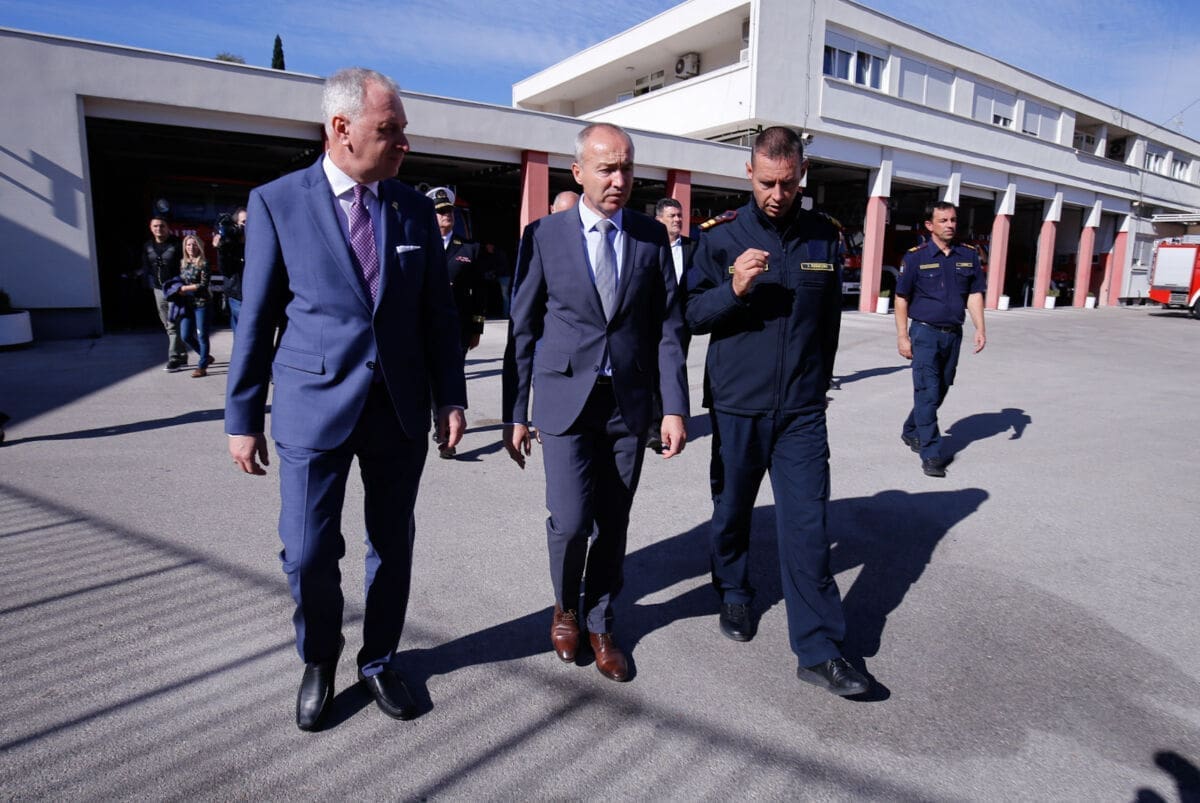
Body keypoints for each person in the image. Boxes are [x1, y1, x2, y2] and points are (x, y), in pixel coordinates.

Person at [225, 67, 467, 731]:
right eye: (390, 130)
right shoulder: (278, 202)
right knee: (307, 550)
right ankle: (319, 656)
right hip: (312, 404)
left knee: (391, 543)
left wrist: (450, 396)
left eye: (404, 130)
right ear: (341, 128)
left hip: (398, 407)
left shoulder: (412, 208)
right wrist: (243, 416)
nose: (404, 143)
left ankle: (379, 658)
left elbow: (438, 315)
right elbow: (257, 318)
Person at [502, 122, 688, 682]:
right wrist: (516, 411)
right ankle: (566, 607)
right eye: (607, 169)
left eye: (627, 168)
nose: (619, 179)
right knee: (571, 519)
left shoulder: (651, 237)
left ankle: (601, 621)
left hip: (627, 403)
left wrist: (673, 406)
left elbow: (668, 327)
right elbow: (523, 328)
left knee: (613, 520)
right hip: (565, 400)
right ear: (578, 172)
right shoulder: (544, 235)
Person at [686, 126, 868, 697]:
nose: (777, 194)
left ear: (802, 174)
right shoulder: (720, 237)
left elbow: (829, 321)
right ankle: (734, 592)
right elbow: (690, 315)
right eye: (767, 182)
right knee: (732, 510)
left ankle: (818, 649)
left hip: (802, 410)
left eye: (787, 183)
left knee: (809, 526)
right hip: (738, 404)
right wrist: (734, 289)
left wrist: (819, 383)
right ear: (749, 172)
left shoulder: (823, 236)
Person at [894, 201, 987, 477]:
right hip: (924, 334)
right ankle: (931, 453)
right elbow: (901, 298)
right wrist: (902, 336)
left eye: (953, 220)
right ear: (929, 225)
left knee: (941, 388)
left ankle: (912, 428)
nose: (950, 225)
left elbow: (974, 294)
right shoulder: (916, 257)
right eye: (943, 220)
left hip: (953, 335)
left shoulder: (968, 255)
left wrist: (980, 328)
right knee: (927, 391)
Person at [426, 186, 484, 459]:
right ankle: (436, 422)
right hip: (424, 326)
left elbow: (479, 292)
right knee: (428, 379)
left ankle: (446, 436)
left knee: (450, 377)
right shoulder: (421, 244)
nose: (446, 215)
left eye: (449, 211)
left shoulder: (469, 249)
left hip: (456, 327)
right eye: (440, 212)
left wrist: (477, 327)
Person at [646, 197, 698, 451]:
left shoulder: (693, 247)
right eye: (672, 216)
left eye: (679, 215)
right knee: (651, 371)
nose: (678, 220)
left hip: (681, 323)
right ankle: (653, 426)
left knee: (674, 368)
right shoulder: (648, 246)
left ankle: (673, 418)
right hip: (652, 320)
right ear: (659, 220)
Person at [139, 216, 187, 371]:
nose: (158, 229)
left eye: (162, 226)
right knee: (167, 323)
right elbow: (146, 267)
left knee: (173, 324)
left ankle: (174, 358)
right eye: (155, 226)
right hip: (158, 289)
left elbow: (185, 265)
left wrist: (183, 286)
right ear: (151, 228)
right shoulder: (147, 246)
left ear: (167, 227)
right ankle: (182, 354)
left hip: (174, 289)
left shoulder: (177, 244)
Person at [176, 233, 214, 378]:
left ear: (199, 247)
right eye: (188, 244)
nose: (191, 247)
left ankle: (202, 366)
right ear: (184, 247)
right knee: (185, 335)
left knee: (202, 335)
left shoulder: (204, 263)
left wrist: (185, 288)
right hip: (187, 305)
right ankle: (206, 356)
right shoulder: (183, 263)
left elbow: (203, 284)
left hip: (202, 304)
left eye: (194, 244)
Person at [213, 207, 247, 333]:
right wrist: (222, 248)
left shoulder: (259, 242)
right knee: (241, 334)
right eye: (243, 222)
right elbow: (224, 270)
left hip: (256, 296)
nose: (246, 226)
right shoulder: (230, 246)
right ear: (236, 225)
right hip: (237, 295)